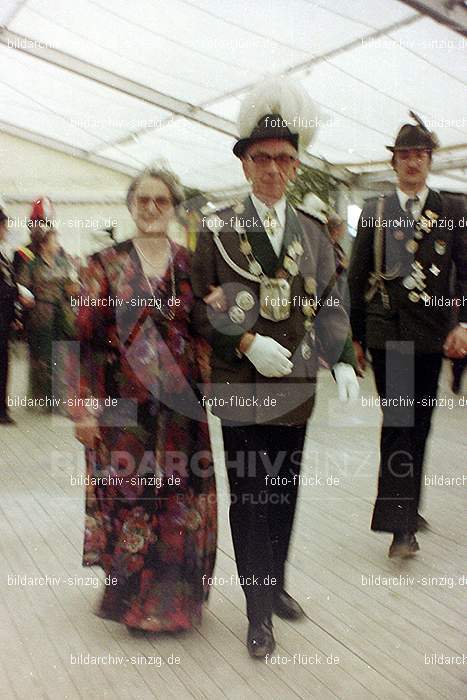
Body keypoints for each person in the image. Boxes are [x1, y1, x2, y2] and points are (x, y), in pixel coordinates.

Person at [191, 78, 359, 658]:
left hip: (294, 387)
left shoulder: (313, 235)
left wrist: (341, 360)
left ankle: (277, 583)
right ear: (244, 166)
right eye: (260, 158)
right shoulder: (215, 229)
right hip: (240, 386)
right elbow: (197, 306)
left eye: (283, 159)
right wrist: (243, 345)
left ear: (295, 167)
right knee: (250, 495)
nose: (272, 169)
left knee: (283, 491)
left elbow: (332, 303)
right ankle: (258, 612)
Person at [73, 167, 217, 632]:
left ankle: (174, 604)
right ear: (131, 204)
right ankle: (133, 602)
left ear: (174, 207)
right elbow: (80, 343)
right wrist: (82, 407)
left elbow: (204, 334)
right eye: (144, 200)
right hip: (123, 408)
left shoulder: (192, 265)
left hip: (181, 410)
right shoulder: (103, 265)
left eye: (162, 200)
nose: (152, 208)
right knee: (131, 500)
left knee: (179, 502)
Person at [348, 113, 467, 559]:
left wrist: (463, 323)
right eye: (405, 155)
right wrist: (354, 337)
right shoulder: (377, 211)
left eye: (420, 154)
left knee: (420, 427)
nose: (412, 162)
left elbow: (466, 272)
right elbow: (356, 278)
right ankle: (400, 528)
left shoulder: (452, 210)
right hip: (390, 336)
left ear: (430, 160)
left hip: (434, 335)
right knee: (399, 425)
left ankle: (407, 508)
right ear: (394, 163)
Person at [17, 225, 77, 409]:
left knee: (62, 354)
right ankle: (42, 397)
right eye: (54, 241)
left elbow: (72, 285)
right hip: (41, 315)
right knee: (42, 356)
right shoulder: (32, 265)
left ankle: (59, 400)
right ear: (43, 245)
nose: (57, 244)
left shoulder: (64, 262)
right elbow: (22, 287)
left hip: (63, 313)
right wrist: (25, 301)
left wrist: (73, 290)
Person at [0, 202, 20, 424]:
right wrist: (14, 293)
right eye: (4, 225)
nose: (6, 230)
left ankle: (2, 408)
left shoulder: (3, 254)